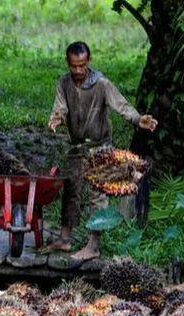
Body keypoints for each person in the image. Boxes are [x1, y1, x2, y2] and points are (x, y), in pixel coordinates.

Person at [42, 41, 157, 260]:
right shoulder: (63, 83)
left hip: (99, 147)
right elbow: (60, 107)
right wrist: (57, 116)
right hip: (77, 147)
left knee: (97, 194)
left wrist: (138, 118)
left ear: (89, 61)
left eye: (82, 66)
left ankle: (93, 245)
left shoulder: (102, 84)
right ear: (68, 63)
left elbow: (121, 106)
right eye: (73, 66)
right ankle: (65, 239)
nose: (78, 71)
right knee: (71, 189)